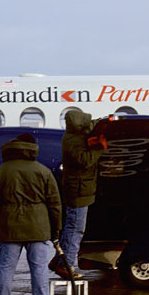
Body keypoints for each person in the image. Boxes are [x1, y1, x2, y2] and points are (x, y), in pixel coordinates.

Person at [0, 134, 63, 295]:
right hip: (38, 227)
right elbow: (55, 204)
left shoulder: (2, 171)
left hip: (9, 228)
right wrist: (56, 231)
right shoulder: (42, 170)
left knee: (5, 270)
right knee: (39, 270)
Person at [51, 110, 106, 280]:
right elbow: (85, 160)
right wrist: (100, 149)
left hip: (80, 189)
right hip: (79, 191)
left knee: (72, 227)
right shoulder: (72, 140)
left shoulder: (72, 136)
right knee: (76, 229)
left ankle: (59, 261)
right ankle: (67, 265)